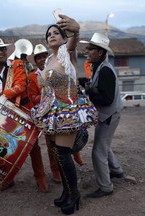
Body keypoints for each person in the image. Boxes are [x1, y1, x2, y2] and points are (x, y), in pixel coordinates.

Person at [31, 16, 98, 215]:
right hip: (54, 113)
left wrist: (75, 32)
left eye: (55, 33)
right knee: (58, 154)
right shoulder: (49, 60)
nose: (52, 36)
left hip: (69, 111)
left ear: (63, 38)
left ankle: (74, 194)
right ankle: (67, 192)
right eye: (48, 34)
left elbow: (73, 42)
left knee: (63, 153)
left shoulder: (66, 54)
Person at [0, 37, 48, 192]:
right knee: (5, 149)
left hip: (22, 111)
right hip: (1, 115)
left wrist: (3, 95)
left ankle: (40, 177)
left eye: (3, 49)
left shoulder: (17, 65)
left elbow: (20, 85)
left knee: (33, 147)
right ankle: (7, 179)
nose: (0, 52)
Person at [27, 44, 84, 185]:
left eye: (44, 56)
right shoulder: (31, 76)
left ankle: (73, 161)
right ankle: (55, 171)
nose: (41, 59)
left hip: (60, 110)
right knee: (51, 145)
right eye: (38, 57)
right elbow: (31, 96)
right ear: (35, 60)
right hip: (47, 114)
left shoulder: (53, 69)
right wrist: (45, 96)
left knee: (67, 140)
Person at [80, 32, 124, 198]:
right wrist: (84, 82)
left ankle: (106, 187)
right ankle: (117, 171)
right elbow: (97, 87)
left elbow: (106, 99)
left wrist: (89, 91)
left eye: (91, 49)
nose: (87, 51)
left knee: (98, 151)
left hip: (109, 115)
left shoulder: (105, 70)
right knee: (103, 144)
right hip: (108, 114)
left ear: (100, 52)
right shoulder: (98, 66)